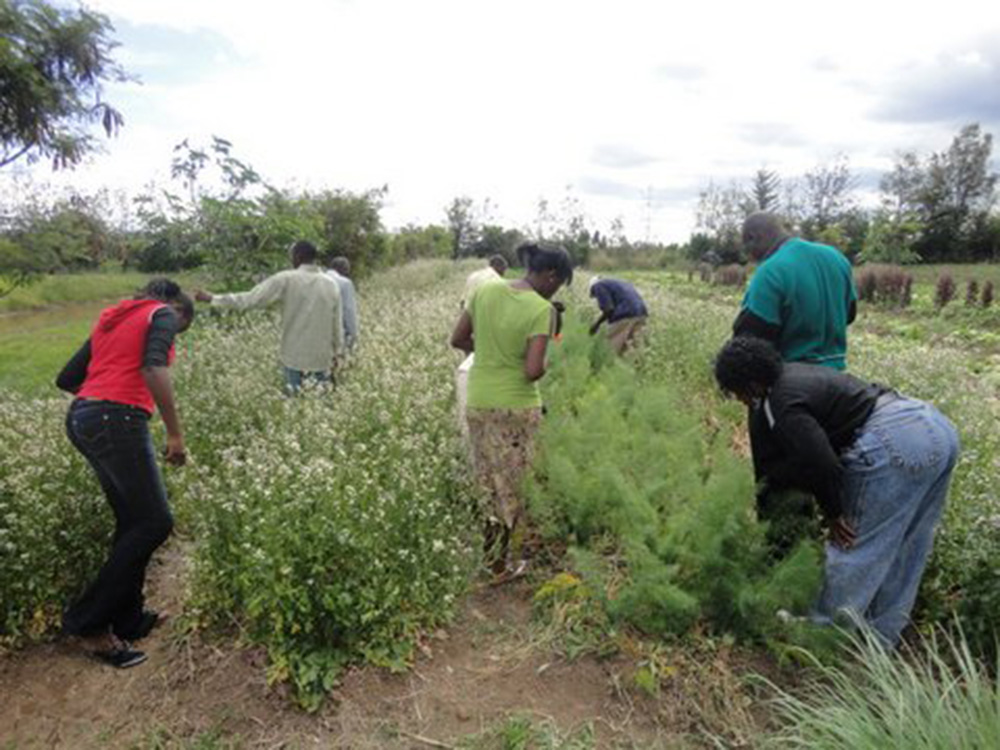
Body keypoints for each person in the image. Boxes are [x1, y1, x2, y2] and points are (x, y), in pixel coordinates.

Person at [713, 336, 959, 647]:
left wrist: (834, 512)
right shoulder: (794, 374)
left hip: (893, 441)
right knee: (910, 546)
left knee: (852, 545)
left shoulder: (779, 404)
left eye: (735, 392)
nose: (739, 401)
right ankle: (880, 641)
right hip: (933, 425)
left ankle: (821, 638)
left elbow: (822, 463)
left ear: (750, 384)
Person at [55, 279, 196, 668]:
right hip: (114, 418)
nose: (174, 339)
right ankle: (88, 622)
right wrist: (175, 433)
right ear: (179, 312)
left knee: (133, 521)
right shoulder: (163, 313)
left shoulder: (113, 318)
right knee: (155, 522)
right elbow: (153, 366)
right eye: (178, 335)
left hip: (84, 416)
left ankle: (129, 618)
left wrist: (102, 393)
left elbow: (66, 378)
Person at [450, 242, 571, 579]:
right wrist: (543, 360)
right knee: (512, 487)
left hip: (478, 400)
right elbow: (532, 370)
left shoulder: (485, 291)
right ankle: (500, 565)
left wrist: (489, 351)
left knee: (487, 482)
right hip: (516, 407)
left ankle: (490, 560)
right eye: (558, 283)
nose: (555, 291)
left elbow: (457, 339)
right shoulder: (539, 309)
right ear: (549, 275)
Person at [196, 241, 343, 393]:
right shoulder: (331, 284)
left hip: (294, 359)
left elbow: (251, 299)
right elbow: (337, 325)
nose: (291, 260)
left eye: (291, 256)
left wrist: (213, 298)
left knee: (293, 408)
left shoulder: (286, 279)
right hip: (322, 360)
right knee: (318, 409)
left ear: (298, 256)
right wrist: (338, 354)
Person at [734, 213, 857, 370]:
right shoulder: (837, 258)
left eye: (747, 250)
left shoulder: (771, 270)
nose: (750, 257)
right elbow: (850, 313)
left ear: (753, 237)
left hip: (791, 378)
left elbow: (750, 338)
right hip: (837, 378)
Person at [456, 255, 508, 438]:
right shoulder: (497, 279)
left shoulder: (473, 276)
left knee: (468, 365)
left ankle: (468, 404)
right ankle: (484, 410)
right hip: (485, 326)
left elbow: (463, 303)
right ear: (500, 268)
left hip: (467, 324)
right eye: (504, 270)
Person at [588, 275, 648, 354]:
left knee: (609, 346)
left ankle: (604, 364)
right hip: (641, 313)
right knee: (632, 348)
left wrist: (596, 325)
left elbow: (608, 309)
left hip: (625, 313)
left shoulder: (598, 286)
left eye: (595, 295)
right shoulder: (618, 283)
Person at [326, 255, 359, 353]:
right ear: (344, 269)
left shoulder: (317, 280)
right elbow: (348, 310)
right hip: (337, 333)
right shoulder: (345, 283)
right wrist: (353, 335)